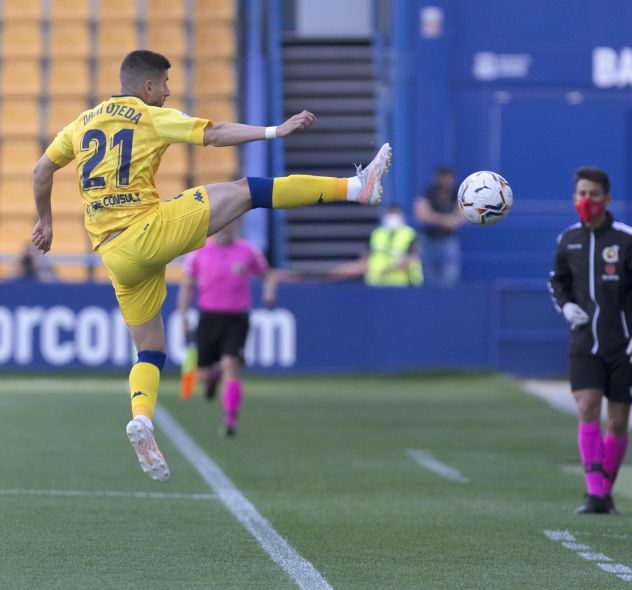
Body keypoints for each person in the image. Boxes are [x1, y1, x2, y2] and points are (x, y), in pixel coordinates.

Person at [31, 50, 392, 482]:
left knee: (150, 348)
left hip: (113, 254)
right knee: (248, 190)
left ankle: (141, 419)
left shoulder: (82, 122)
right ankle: (356, 187)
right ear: (147, 87)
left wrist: (45, 222)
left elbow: (41, 169)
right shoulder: (147, 115)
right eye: (164, 83)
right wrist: (277, 130)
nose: (168, 90)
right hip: (147, 230)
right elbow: (216, 133)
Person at [548, 166, 632, 514]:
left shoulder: (628, 240)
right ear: (575, 198)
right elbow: (557, 281)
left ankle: (603, 491)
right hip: (584, 342)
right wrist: (567, 306)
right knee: (587, 406)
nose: (587, 201)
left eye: (594, 194)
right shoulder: (568, 240)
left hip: (625, 346)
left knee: (617, 422)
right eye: (581, 194)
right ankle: (595, 493)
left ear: (607, 199)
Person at [177, 220, 276, 436]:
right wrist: (183, 317)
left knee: (231, 364)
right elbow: (187, 286)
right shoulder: (199, 252)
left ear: (235, 228)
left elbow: (267, 273)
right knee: (201, 375)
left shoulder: (248, 251)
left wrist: (269, 292)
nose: (225, 231)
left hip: (236, 318)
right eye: (221, 227)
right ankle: (212, 377)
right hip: (208, 318)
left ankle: (230, 419)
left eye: (229, 227)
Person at [414, 166, 465, 286]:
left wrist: (435, 217)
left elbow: (461, 217)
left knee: (450, 276)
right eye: (443, 178)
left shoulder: (457, 193)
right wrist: (445, 220)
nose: (446, 181)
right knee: (427, 275)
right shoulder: (429, 192)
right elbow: (421, 214)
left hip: (448, 240)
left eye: (448, 178)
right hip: (428, 239)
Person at [365, 204, 423, 287]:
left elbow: (412, 259)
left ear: (402, 216)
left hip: (403, 286)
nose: (392, 217)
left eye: (395, 214)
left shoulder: (410, 234)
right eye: (390, 214)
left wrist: (385, 270)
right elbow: (365, 259)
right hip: (377, 286)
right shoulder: (377, 234)